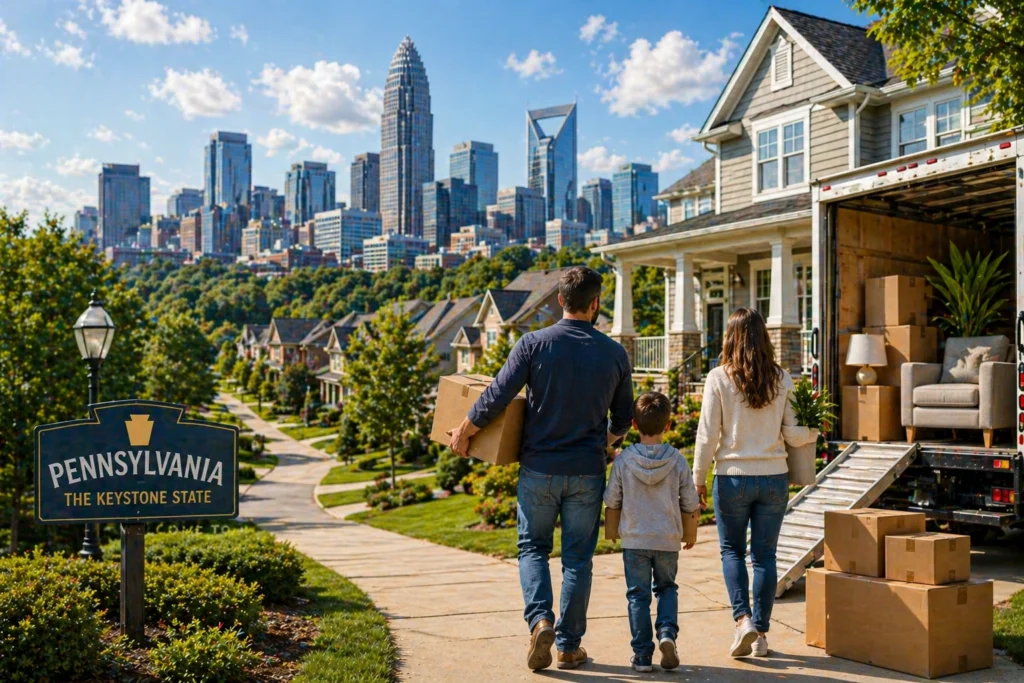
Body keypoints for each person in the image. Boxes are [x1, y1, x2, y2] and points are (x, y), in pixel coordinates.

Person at [447, 266, 633, 672]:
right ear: (596, 304)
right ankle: (568, 646)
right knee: (578, 559)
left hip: (539, 468)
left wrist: (464, 430)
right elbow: (623, 419)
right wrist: (604, 443)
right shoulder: (615, 354)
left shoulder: (533, 344)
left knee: (533, 548)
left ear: (560, 301)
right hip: (586, 471)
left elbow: (497, 395)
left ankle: (540, 621)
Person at [692, 308, 817, 658]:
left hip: (731, 479)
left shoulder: (718, 378)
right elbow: (795, 435)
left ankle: (743, 620)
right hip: (774, 478)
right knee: (765, 556)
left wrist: (697, 479)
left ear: (729, 338)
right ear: (764, 337)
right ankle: (760, 635)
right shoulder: (782, 377)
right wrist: (814, 430)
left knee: (731, 551)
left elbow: (707, 435)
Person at [604, 391, 700, 673]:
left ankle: (643, 655)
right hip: (667, 538)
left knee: (638, 596)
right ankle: (667, 633)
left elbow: (611, 500)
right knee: (667, 588)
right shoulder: (678, 460)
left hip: (635, 539)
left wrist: (614, 526)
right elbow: (691, 502)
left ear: (633, 424)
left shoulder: (623, 461)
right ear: (667, 425)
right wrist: (689, 532)